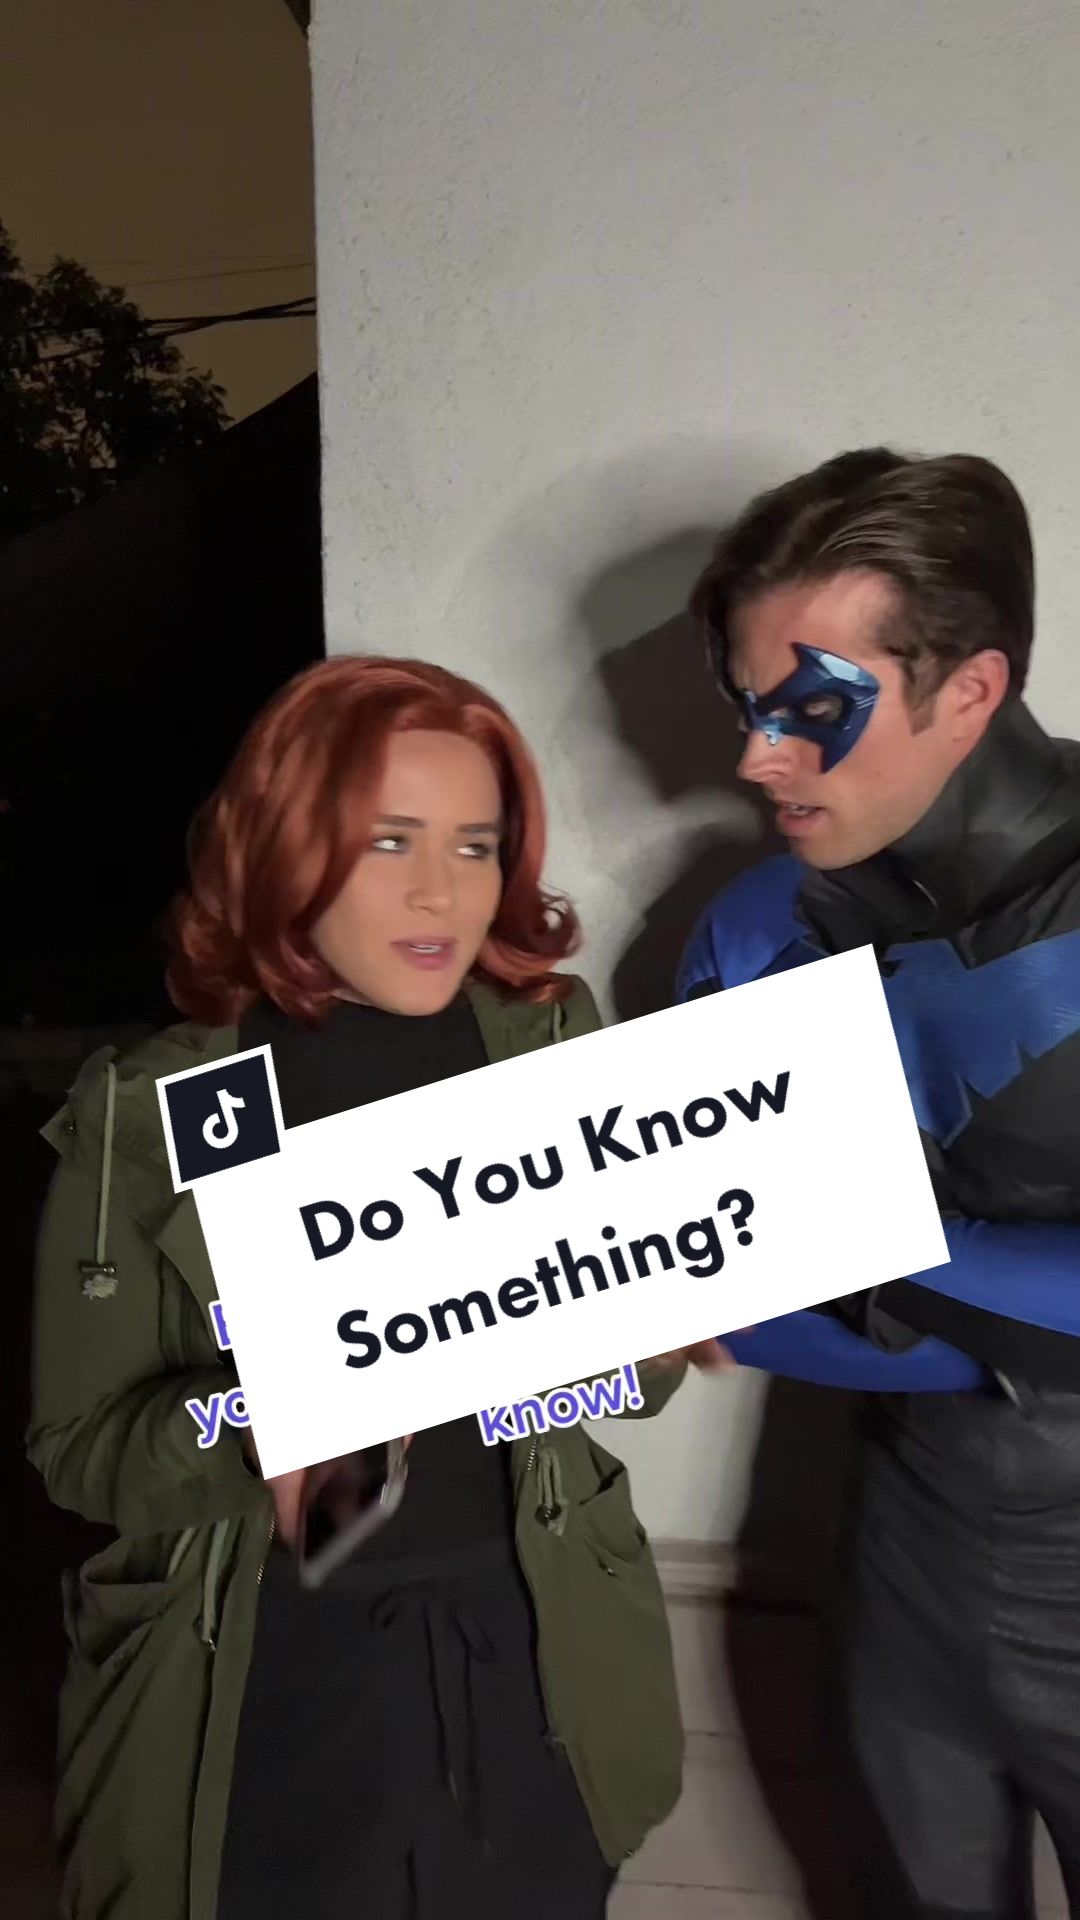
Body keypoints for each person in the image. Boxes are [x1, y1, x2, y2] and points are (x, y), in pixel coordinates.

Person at [28, 655, 686, 1920]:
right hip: (264, 1673)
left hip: (533, 1653)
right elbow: (80, 1450)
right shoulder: (161, 1107)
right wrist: (252, 1421)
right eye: (390, 841)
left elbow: (628, 1380)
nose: (443, 889)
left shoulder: (548, 1047)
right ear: (286, 846)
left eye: (477, 845)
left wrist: (658, 1318)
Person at [680, 450, 1080, 1920]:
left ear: (969, 691)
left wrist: (849, 1241)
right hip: (904, 1554)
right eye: (747, 703)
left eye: (810, 709)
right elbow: (702, 1272)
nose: (754, 758)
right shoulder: (755, 926)